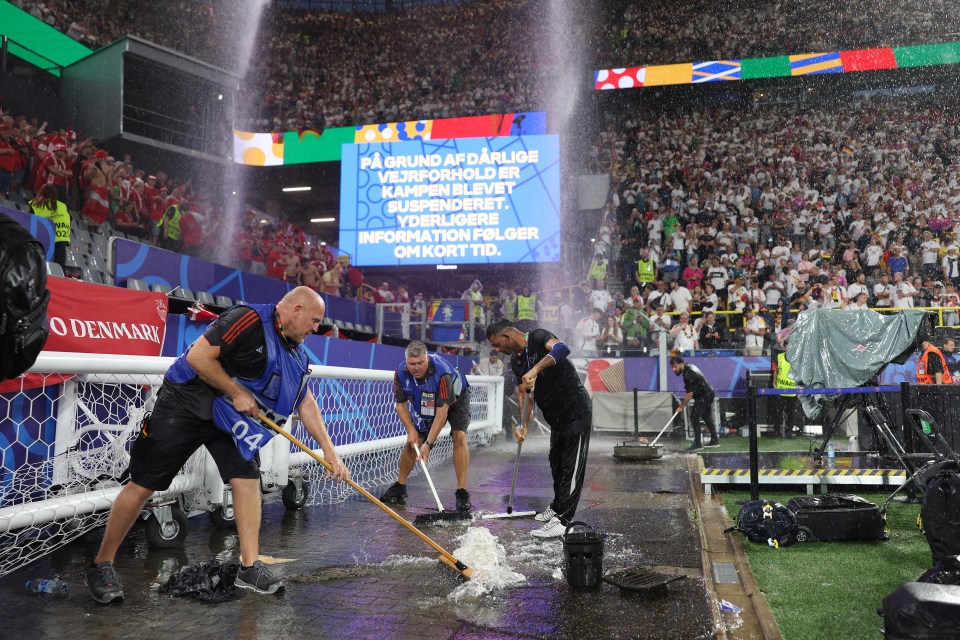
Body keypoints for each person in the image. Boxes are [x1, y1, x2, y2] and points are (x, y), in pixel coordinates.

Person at [85, 287, 350, 604]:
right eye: (314, 320)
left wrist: (329, 451)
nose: (315, 329)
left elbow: (305, 401)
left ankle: (249, 567)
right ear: (295, 310)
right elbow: (198, 356)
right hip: (186, 403)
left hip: (227, 418)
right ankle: (102, 563)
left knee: (247, 478)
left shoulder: (297, 353)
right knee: (144, 485)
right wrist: (236, 391)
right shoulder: (247, 319)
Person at [486, 318, 591, 538]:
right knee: (556, 462)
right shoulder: (516, 361)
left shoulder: (537, 337)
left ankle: (563, 520)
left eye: (497, 344)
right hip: (557, 418)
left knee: (571, 467)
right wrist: (523, 425)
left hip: (575, 411)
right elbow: (525, 393)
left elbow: (563, 348)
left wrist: (535, 369)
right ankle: (557, 506)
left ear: (507, 336)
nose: (497, 350)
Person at [379, 341, 472, 512]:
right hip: (428, 398)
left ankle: (462, 492)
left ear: (427, 359)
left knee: (458, 436)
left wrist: (429, 445)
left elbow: (442, 412)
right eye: (412, 364)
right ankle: (400, 487)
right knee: (412, 442)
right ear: (406, 361)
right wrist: (411, 430)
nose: (416, 368)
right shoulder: (400, 372)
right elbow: (400, 404)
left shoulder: (442, 372)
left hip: (456, 397)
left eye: (420, 363)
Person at [670, 356, 719, 450]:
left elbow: (689, 394)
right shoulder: (689, 367)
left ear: (681, 363)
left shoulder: (688, 374)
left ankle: (697, 443)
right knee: (706, 417)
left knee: (694, 416)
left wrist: (681, 406)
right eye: (672, 367)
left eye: (675, 366)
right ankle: (714, 440)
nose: (673, 369)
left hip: (704, 395)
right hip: (708, 393)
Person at [29, 183, 71, 269]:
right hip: (60, 241)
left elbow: (30, 221)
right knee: (59, 271)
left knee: (41, 269)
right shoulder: (62, 206)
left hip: (43, 241)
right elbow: (69, 219)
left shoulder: (35, 204)